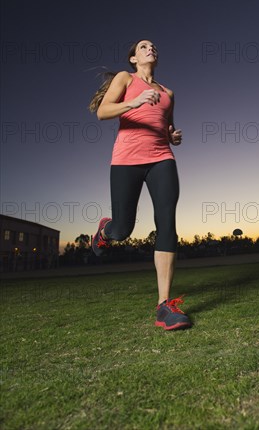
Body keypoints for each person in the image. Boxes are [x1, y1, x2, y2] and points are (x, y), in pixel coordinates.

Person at [88, 39, 191, 331]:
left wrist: (173, 137)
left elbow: (165, 125)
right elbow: (103, 112)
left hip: (162, 159)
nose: (151, 48)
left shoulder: (168, 93)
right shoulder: (125, 78)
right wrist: (133, 101)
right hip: (126, 160)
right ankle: (106, 230)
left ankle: (164, 306)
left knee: (167, 222)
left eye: (154, 46)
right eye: (143, 46)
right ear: (134, 58)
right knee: (124, 229)